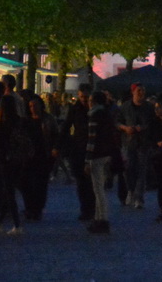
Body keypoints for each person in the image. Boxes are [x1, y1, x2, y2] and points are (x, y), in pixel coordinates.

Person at [0, 93, 27, 235]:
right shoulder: (19, 121)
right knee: (8, 191)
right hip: (18, 159)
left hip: (5, 160)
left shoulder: (2, 124)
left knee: (9, 192)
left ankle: (17, 225)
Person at [84, 90, 120, 234]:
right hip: (106, 154)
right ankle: (99, 218)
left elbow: (91, 139)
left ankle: (102, 219)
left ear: (94, 102)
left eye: (90, 100)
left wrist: (87, 159)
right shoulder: (106, 115)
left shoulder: (94, 115)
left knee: (98, 190)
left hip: (96, 155)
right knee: (101, 188)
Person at [61, 84, 95, 222]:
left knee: (91, 182)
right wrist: (60, 145)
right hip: (79, 147)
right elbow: (66, 126)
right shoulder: (75, 109)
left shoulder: (96, 109)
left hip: (93, 148)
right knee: (81, 182)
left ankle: (92, 209)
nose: (83, 99)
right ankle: (85, 209)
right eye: (81, 97)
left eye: (85, 97)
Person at [117, 81, 153, 210]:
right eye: (139, 91)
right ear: (133, 92)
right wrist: (125, 128)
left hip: (143, 143)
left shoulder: (149, 108)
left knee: (141, 170)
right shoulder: (125, 107)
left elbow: (153, 123)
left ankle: (139, 198)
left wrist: (142, 127)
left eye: (143, 91)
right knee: (128, 169)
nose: (141, 93)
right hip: (128, 142)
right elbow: (117, 122)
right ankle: (130, 190)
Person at [21, 94, 55, 221]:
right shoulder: (26, 121)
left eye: (35, 105)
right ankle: (30, 207)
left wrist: (54, 149)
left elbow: (55, 135)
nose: (33, 108)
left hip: (43, 154)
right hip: (29, 156)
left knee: (41, 184)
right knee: (27, 184)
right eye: (30, 106)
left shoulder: (48, 119)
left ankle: (37, 208)